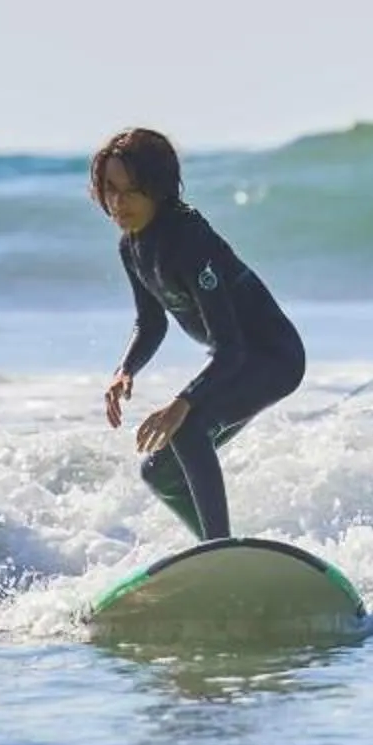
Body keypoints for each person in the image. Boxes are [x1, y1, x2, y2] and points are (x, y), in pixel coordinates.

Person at [92, 126, 306, 542]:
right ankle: (216, 556)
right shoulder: (132, 245)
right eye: (110, 189)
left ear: (158, 189)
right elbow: (151, 321)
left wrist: (182, 402)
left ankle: (220, 549)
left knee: (188, 428)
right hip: (238, 361)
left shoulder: (190, 241)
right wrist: (126, 369)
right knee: (158, 472)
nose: (119, 203)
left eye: (132, 190)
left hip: (274, 358)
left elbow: (231, 349)